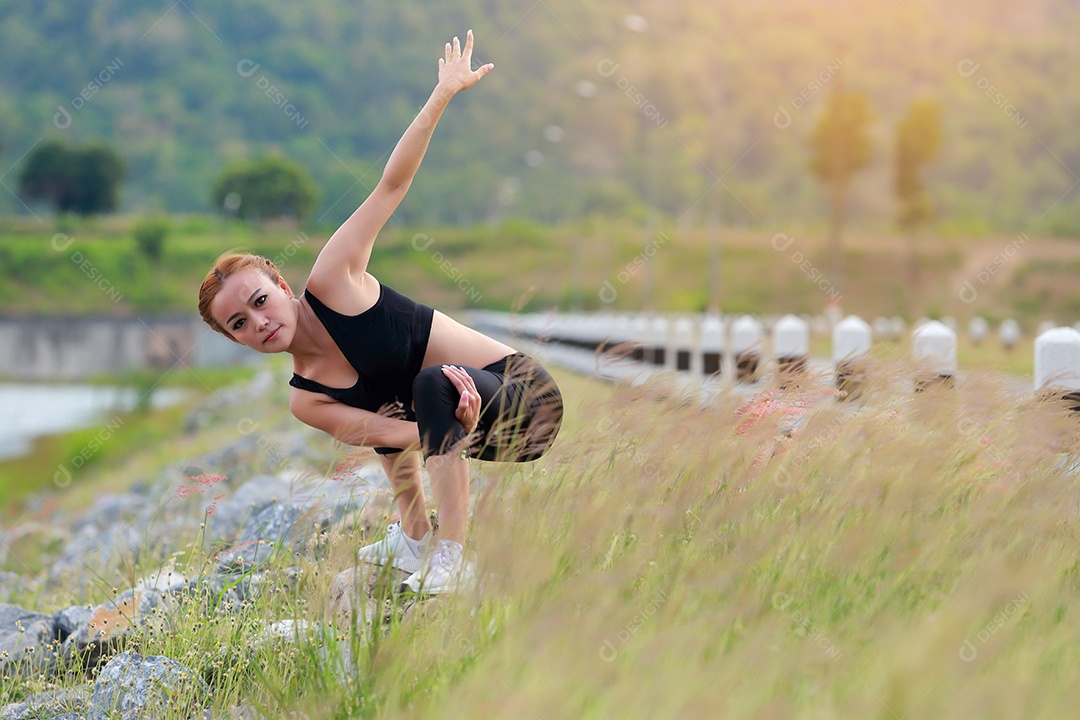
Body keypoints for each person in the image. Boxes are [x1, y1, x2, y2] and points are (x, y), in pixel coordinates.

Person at [197, 31, 563, 594]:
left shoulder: (335, 278)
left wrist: (441, 94)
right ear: (235, 339)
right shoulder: (306, 398)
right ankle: (415, 536)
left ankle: (453, 557)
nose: (259, 321)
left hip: (525, 403)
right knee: (395, 399)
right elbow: (385, 432)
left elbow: (392, 186)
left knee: (428, 384)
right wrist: (447, 428)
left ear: (282, 284)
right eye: (239, 324)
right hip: (459, 420)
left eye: (259, 300)